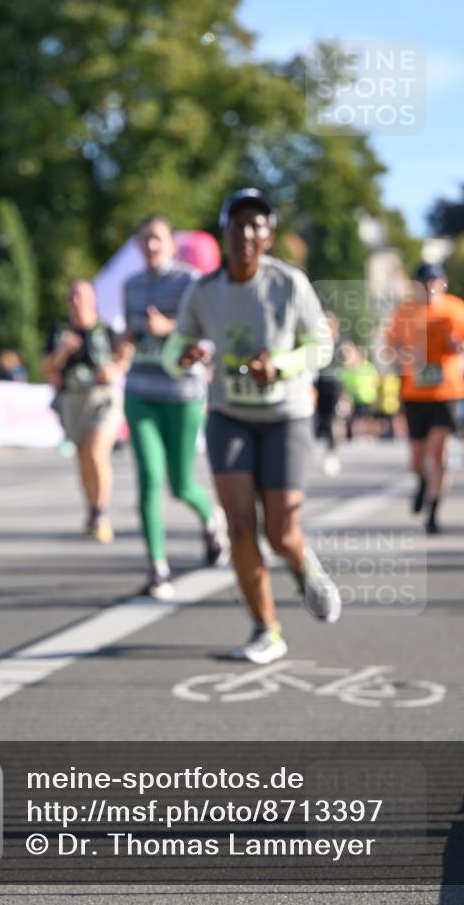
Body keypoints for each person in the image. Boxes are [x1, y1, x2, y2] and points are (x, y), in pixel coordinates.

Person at [163, 188, 341, 664]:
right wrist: (184, 356)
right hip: (230, 416)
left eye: (256, 225)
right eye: (238, 223)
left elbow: (321, 347)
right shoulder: (204, 290)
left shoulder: (289, 283)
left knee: (281, 533)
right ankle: (267, 628)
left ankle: (303, 567)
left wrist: (280, 366)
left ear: (269, 237)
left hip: (286, 417)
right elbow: (176, 346)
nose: (246, 232)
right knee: (241, 527)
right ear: (225, 232)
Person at [122, 216, 226, 599]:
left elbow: (209, 334)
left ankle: (211, 519)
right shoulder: (131, 286)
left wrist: (168, 329)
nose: (151, 246)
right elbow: (131, 335)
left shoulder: (191, 282)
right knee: (150, 477)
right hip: (140, 391)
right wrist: (124, 342)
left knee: (181, 485)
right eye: (145, 239)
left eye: (158, 239)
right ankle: (157, 568)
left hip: (182, 393)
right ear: (138, 245)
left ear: (171, 244)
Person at [387, 262, 464, 533]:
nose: (431, 286)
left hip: (447, 391)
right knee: (417, 461)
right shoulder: (405, 310)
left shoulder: (456, 308)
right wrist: (402, 355)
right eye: (425, 282)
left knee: (438, 452)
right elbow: (391, 344)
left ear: (443, 282)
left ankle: (433, 510)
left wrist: (463, 347)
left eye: (435, 281)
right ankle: (422, 481)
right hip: (415, 393)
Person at [44, 280, 128, 543]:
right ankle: (92, 510)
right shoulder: (59, 330)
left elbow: (124, 355)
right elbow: (47, 368)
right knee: (84, 458)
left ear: (93, 300)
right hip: (72, 399)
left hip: (102, 398)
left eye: (81, 296)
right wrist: (63, 351)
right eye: (72, 297)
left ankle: (100, 513)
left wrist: (114, 369)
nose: (76, 302)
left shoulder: (106, 329)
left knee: (96, 451)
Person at [314, 311, 345, 475]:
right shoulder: (317, 341)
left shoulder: (338, 341)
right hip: (319, 382)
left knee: (332, 418)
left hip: (333, 383)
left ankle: (333, 451)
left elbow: (348, 358)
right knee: (319, 417)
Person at [341, 344, 379, 440]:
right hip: (357, 398)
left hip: (368, 397)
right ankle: (357, 435)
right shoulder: (352, 367)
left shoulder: (368, 367)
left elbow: (375, 380)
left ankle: (369, 435)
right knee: (357, 418)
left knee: (368, 417)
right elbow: (347, 382)